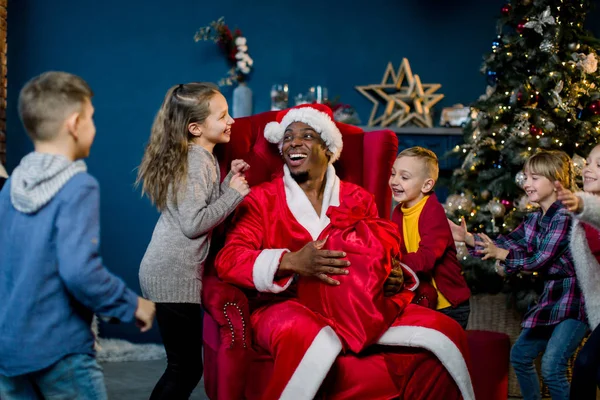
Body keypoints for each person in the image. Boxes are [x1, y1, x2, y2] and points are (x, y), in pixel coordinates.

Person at [215, 103, 474, 400]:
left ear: (328, 148)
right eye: (287, 137)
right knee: (307, 336)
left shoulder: (358, 198)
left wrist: (394, 275)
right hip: (284, 305)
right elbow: (228, 259)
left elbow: (383, 251)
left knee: (442, 330)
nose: (294, 142)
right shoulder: (262, 199)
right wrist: (289, 261)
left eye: (307, 135)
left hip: (356, 305)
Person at [0, 71, 155, 400]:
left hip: (9, 348)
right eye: (91, 118)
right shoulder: (78, 186)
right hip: (61, 351)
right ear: (73, 124)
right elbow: (79, 271)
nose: (94, 127)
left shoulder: (11, 186)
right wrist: (132, 304)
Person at [136, 82, 250, 399]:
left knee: (183, 366)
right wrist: (235, 197)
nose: (232, 121)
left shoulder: (202, 157)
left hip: (168, 270)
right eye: (223, 115)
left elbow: (199, 206)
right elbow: (193, 223)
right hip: (171, 272)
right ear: (196, 127)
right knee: (184, 368)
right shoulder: (197, 159)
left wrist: (228, 185)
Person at [449, 150, 587, 400]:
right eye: (525, 177)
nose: (526, 183)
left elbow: (540, 259)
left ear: (556, 181)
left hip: (574, 301)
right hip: (551, 299)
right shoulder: (535, 218)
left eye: (534, 178)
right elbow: (507, 242)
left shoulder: (566, 216)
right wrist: (468, 238)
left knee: (553, 366)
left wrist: (502, 254)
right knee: (521, 355)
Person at [389, 146, 471, 328]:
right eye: (393, 174)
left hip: (448, 305)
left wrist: (395, 267)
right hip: (421, 299)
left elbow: (428, 257)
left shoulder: (432, 211)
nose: (394, 181)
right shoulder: (398, 211)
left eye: (404, 177)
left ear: (426, 185)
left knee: (447, 354)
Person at [556, 143, 600, 400]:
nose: (588, 169)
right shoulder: (581, 213)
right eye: (588, 162)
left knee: (584, 363)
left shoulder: (587, 208)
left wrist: (581, 203)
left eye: (599, 165)